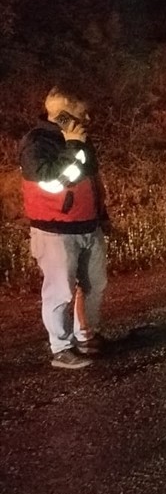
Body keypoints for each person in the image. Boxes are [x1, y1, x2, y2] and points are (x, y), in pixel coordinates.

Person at [19, 87, 110, 369]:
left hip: (87, 226)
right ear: (64, 117)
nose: (89, 117)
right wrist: (72, 147)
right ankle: (61, 348)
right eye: (82, 113)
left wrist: (101, 216)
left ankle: (85, 336)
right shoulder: (36, 143)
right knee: (60, 291)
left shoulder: (78, 138)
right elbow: (54, 182)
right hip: (55, 230)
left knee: (95, 284)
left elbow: (90, 180)